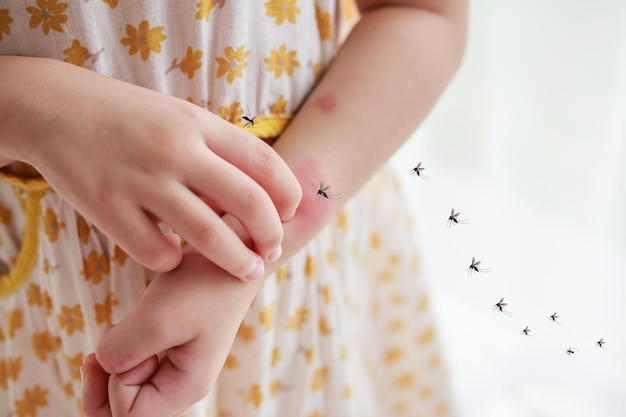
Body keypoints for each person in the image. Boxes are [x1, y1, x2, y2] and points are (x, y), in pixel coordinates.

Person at [0, 0, 468, 416]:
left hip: (302, 279)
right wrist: (38, 113)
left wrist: (233, 255)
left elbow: (424, 11)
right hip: (43, 298)